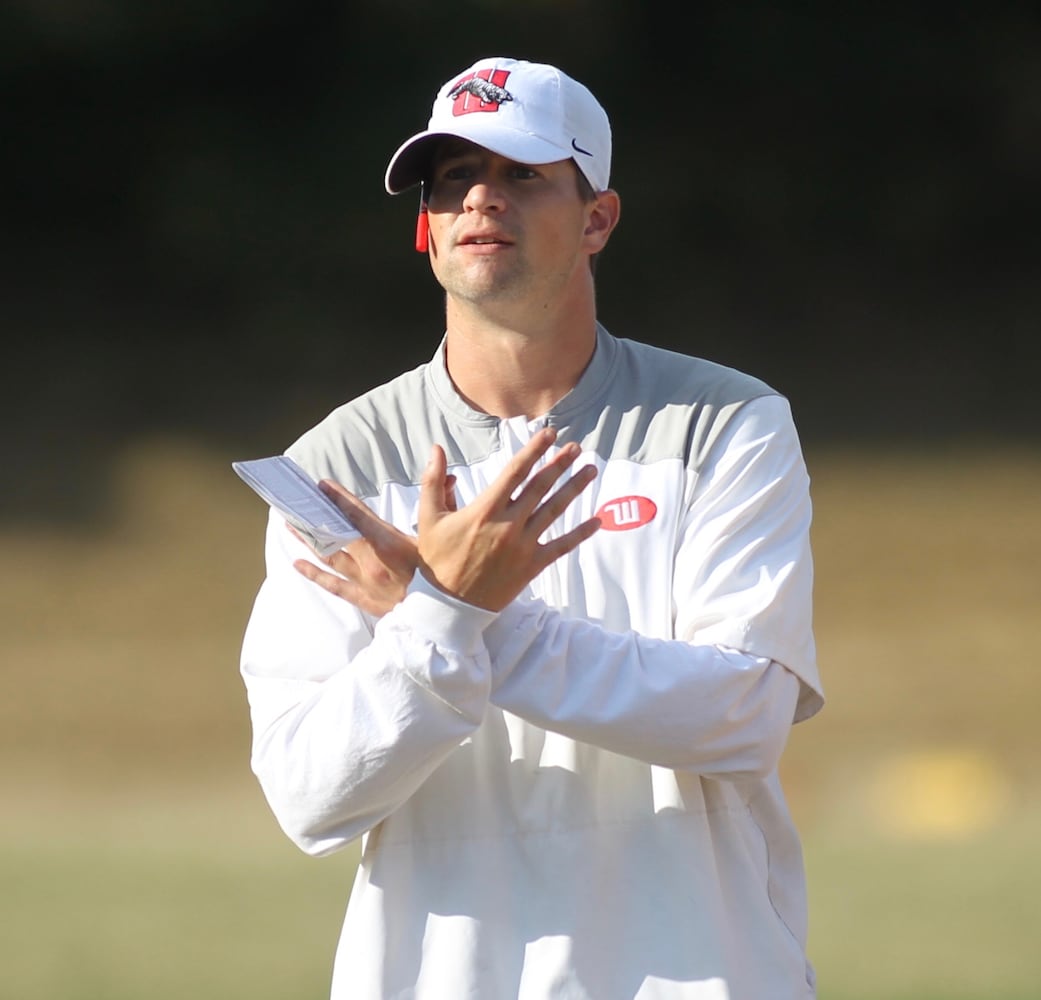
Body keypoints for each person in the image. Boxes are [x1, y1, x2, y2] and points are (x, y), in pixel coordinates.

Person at [239, 56, 825, 1000]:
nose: (481, 199)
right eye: (453, 178)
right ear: (425, 227)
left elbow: (742, 717)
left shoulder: (728, 421)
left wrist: (461, 618)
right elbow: (311, 799)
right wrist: (446, 622)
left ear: (597, 219)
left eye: (521, 175)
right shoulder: (332, 470)